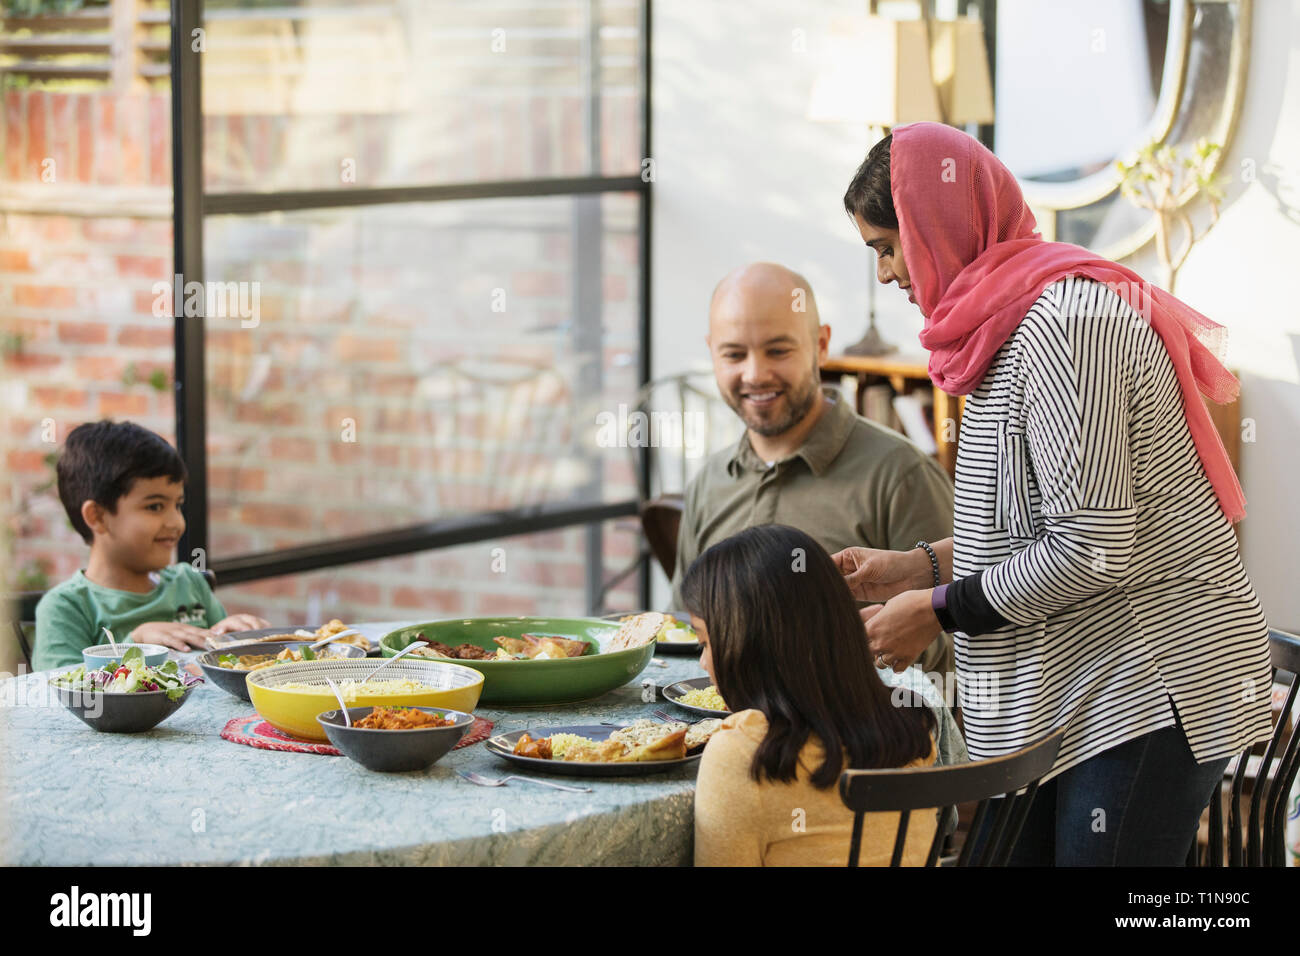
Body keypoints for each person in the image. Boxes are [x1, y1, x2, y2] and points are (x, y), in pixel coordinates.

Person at [832, 123, 1273, 866]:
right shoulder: (1006, 320)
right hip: (1084, 685)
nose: (883, 274)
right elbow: (1036, 524)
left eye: (887, 244)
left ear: (937, 224)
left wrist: (935, 611)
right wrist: (915, 569)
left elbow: (1093, 548)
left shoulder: (1067, 328)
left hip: (1149, 684)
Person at [670, 261, 956, 680]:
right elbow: (682, 629)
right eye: (734, 354)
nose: (755, 374)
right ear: (712, 351)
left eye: (778, 350)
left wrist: (850, 648)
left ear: (821, 345)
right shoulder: (708, 482)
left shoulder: (901, 477)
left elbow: (962, 644)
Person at [684, 524, 967, 867]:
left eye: (705, 642)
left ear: (748, 646)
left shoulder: (740, 752)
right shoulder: (912, 724)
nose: (702, 661)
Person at [32, 420, 268, 670]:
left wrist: (238, 640)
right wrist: (134, 645)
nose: (176, 522)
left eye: (177, 504)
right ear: (98, 516)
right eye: (155, 506)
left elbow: (225, 667)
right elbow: (56, 697)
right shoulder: (66, 608)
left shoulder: (189, 583)